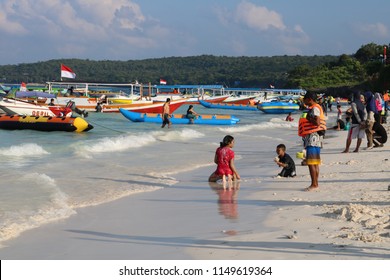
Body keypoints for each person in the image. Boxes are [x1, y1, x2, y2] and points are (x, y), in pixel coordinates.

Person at [298, 92, 327, 191]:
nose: (304, 101)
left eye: (305, 99)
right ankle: (315, 183)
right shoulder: (316, 107)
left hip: (313, 136)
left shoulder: (315, 108)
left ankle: (314, 184)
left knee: (311, 162)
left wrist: (308, 118)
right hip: (316, 136)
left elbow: (317, 122)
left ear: (309, 99)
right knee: (315, 162)